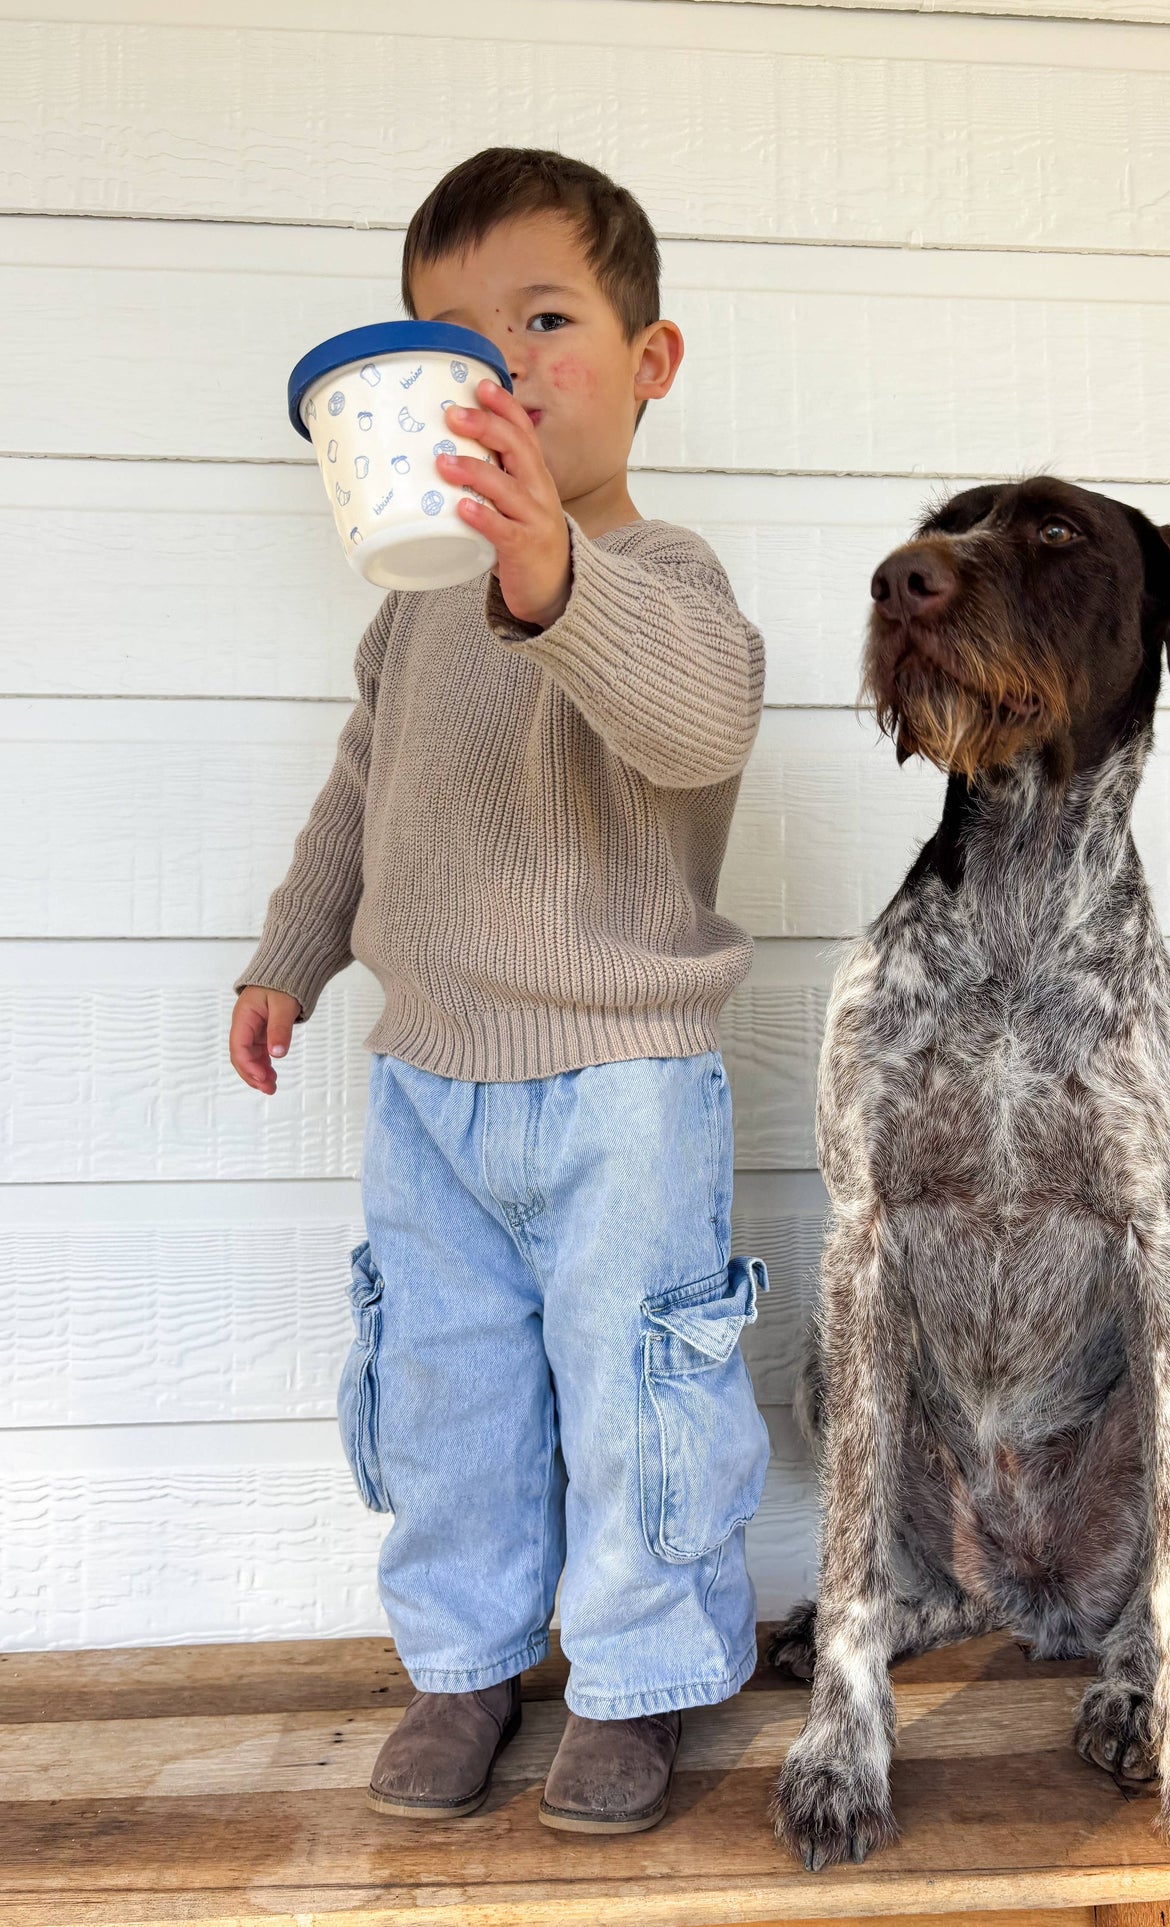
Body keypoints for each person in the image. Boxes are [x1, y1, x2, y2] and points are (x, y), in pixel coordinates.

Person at [228, 148, 771, 1834]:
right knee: (444, 1388)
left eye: (543, 322)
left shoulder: (667, 582)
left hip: (622, 1085)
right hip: (431, 1085)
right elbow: (360, 794)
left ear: (648, 362)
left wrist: (551, 570)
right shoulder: (411, 620)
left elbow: (696, 728)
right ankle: (464, 1663)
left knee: (638, 1399)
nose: (503, 368)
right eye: (454, 342)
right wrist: (291, 952)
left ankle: (636, 1681)